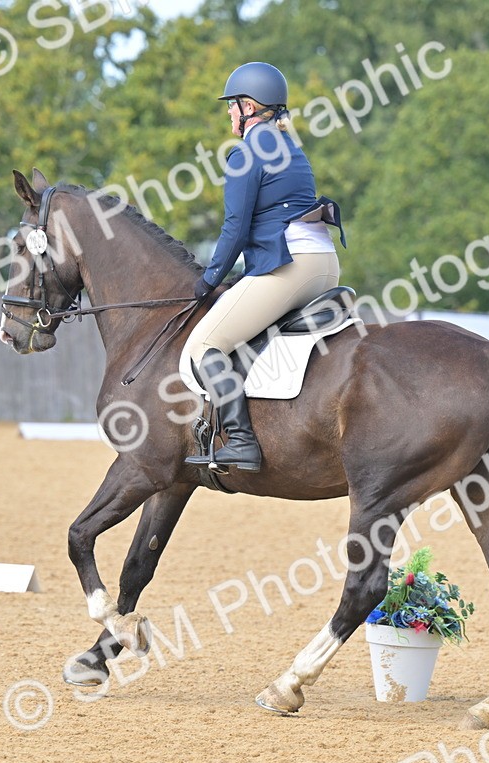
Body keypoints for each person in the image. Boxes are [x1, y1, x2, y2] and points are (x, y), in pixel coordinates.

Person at [182, 62, 345, 473]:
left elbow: (235, 228)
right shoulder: (292, 147)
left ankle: (240, 441)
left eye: (232, 106)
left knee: (206, 346)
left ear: (249, 107)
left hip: (294, 266)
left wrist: (209, 279)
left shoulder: (246, 154)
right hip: (323, 264)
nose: (229, 114)